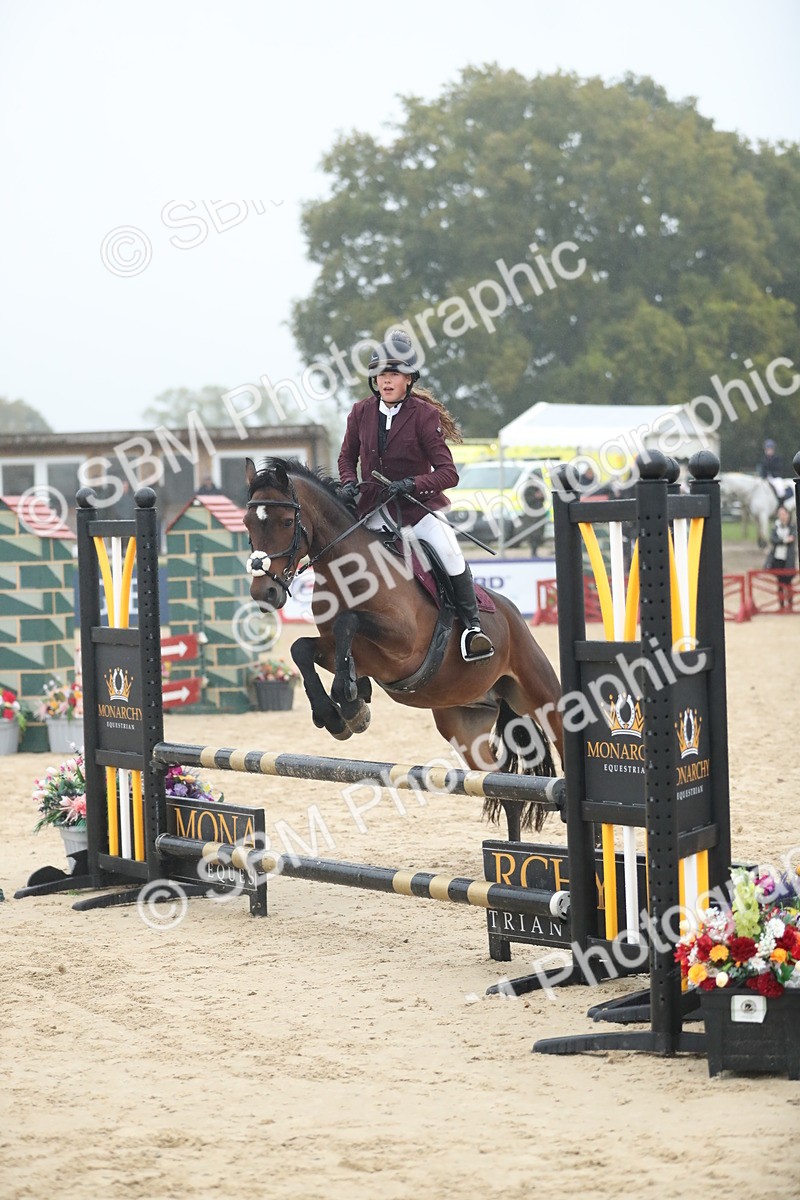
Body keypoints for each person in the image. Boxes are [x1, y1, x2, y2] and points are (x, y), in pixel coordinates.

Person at [338, 330, 494, 661]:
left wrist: (411, 484)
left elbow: (448, 473)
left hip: (417, 510)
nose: (386, 380)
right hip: (373, 510)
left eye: (393, 374)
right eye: (381, 374)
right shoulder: (360, 412)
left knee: (450, 552)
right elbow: (346, 457)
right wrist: (349, 481)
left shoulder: (424, 416)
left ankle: (471, 629)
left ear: (409, 379)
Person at [764, 505, 797, 610]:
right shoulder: (776, 527)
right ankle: (781, 605)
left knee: (789, 582)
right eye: (780, 514)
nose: (782, 516)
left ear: (788, 515)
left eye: (783, 514)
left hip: (788, 559)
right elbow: (773, 540)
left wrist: (782, 540)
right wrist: (784, 540)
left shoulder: (792, 527)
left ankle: (790, 605)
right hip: (778, 558)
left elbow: (792, 538)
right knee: (780, 583)